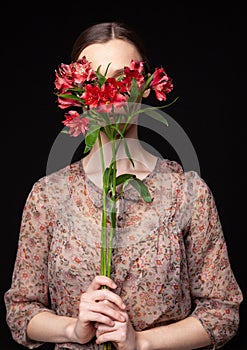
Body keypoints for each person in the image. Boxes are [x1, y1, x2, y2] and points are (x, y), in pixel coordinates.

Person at [4, 21, 243, 350]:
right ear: (74, 90)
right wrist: (74, 329)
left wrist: (141, 342)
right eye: (92, 80)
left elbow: (222, 312)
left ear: (145, 85)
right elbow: (20, 312)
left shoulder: (188, 192)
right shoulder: (47, 196)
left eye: (122, 79)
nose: (108, 94)